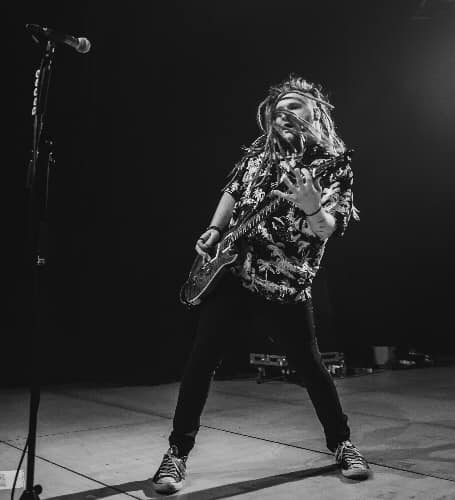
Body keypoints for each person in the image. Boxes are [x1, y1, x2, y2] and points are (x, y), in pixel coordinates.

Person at [152, 75, 369, 494]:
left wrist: (312, 208)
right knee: (200, 362)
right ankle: (177, 453)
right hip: (233, 273)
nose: (283, 113)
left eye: (294, 106)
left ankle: (342, 444)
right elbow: (233, 190)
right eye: (278, 108)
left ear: (316, 112)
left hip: (287, 282)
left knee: (311, 368)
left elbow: (328, 228)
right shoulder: (259, 153)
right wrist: (215, 230)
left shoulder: (333, 163)